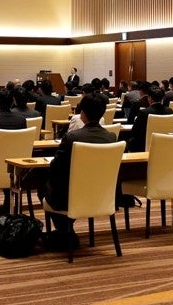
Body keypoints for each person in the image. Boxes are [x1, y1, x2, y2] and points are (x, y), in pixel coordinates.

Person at [42, 94, 117, 248]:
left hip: (72, 196)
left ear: (82, 113)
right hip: (101, 195)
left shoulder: (72, 137)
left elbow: (56, 167)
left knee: (44, 187)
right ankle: (66, 232)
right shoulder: (111, 137)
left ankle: (65, 232)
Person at [127, 85, 173, 153]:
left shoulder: (144, 112)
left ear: (150, 98)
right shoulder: (169, 111)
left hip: (143, 147)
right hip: (165, 145)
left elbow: (135, 131)